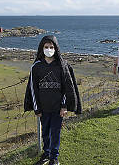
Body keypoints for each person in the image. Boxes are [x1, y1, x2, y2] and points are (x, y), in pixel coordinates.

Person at [24, 35, 81, 165]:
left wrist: (64, 106)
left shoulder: (62, 66)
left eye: (51, 47)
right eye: (46, 47)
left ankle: (54, 157)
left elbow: (67, 87)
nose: (49, 49)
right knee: (45, 132)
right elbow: (33, 89)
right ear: (41, 48)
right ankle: (46, 154)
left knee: (55, 132)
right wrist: (36, 108)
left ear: (56, 48)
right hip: (43, 108)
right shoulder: (36, 67)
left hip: (57, 108)